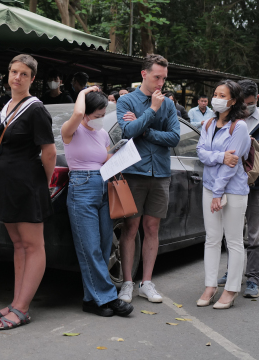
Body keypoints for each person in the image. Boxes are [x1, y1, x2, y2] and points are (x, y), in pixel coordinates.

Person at [0, 54, 57, 330]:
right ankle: (15, 303)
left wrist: (43, 185)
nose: (17, 77)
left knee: (33, 245)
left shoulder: (36, 110)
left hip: (27, 185)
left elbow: (49, 152)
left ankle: (22, 308)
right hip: (6, 185)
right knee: (17, 245)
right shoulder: (7, 107)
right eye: (13, 71)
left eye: (23, 74)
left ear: (32, 79)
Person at [60, 86, 133, 317]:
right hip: (81, 187)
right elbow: (76, 114)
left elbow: (105, 157)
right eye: (98, 115)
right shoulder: (70, 131)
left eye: (104, 115)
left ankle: (92, 299)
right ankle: (109, 297)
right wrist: (82, 92)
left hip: (103, 185)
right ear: (86, 112)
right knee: (89, 246)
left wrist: (120, 154)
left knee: (103, 245)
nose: (101, 120)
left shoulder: (101, 133)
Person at [116, 54, 180, 304]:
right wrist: (152, 110)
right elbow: (129, 132)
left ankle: (147, 282)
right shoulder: (127, 101)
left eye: (164, 78)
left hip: (161, 172)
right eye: (157, 77)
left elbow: (174, 138)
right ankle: (127, 283)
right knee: (130, 227)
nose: (161, 83)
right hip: (134, 172)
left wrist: (146, 129)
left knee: (152, 228)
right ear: (144, 74)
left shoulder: (170, 104)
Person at [219, 79, 259, 299]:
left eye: (249, 103)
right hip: (233, 185)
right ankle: (232, 273)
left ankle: (254, 278)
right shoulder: (228, 118)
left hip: (258, 185)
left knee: (256, 235)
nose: (246, 108)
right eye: (242, 104)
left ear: (256, 98)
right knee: (233, 234)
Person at [196, 80, 250, 309]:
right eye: (215, 94)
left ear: (233, 100)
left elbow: (233, 163)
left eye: (222, 95)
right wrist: (218, 156)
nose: (216, 98)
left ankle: (231, 289)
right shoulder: (208, 123)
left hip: (233, 190)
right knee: (212, 238)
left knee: (234, 240)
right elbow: (201, 153)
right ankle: (210, 285)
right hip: (209, 187)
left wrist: (218, 192)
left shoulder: (239, 127)